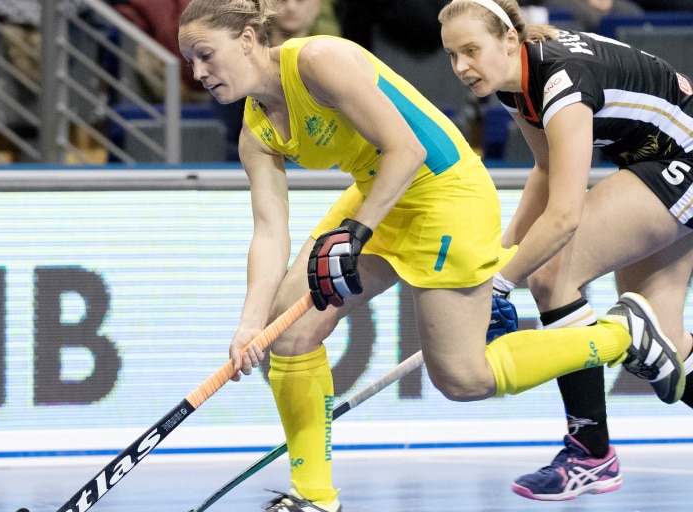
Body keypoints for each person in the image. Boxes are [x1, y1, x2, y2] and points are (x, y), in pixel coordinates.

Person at [178, 0, 684, 510]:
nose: (198, 73)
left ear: (246, 39)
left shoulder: (318, 60)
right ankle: (314, 497)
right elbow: (269, 232)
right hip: (380, 196)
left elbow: (408, 150)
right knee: (287, 332)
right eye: (190, 62)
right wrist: (248, 324)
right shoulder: (254, 132)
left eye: (205, 54)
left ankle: (622, 336)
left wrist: (362, 234)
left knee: (465, 378)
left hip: (443, 195)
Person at [439, 0, 693, 502]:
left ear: (509, 41)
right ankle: (592, 450)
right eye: (451, 56)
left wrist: (501, 282)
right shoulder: (517, 81)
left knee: (551, 273)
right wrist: (500, 255)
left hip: (679, 161)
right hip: (656, 162)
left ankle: (590, 453)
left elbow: (564, 216)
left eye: (471, 50)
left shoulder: (561, 82)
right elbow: (548, 171)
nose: (462, 67)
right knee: (664, 347)